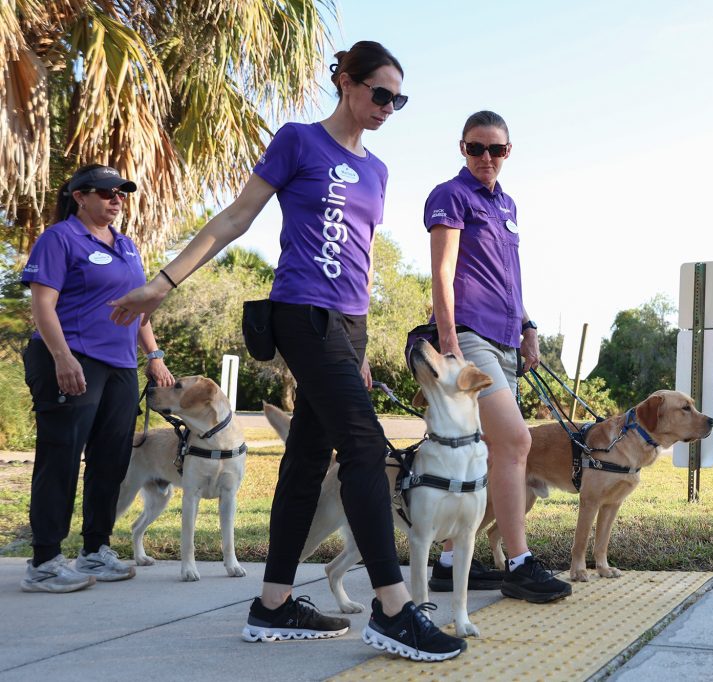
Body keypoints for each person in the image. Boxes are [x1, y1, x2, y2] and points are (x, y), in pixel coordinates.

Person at [109, 41, 467, 660]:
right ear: (346, 83)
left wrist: (359, 343)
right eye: (380, 93)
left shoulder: (378, 171)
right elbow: (236, 218)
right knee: (362, 445)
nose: (388, 107)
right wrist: (162, 284)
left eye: (398, 99)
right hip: (301, 314)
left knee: (306, 459)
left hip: (346, 326)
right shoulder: (300, 141)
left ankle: (272, 602)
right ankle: (393, 607)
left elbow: (363, 258)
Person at [424, 111, 573, 603]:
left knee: (486, 451)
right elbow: (443, 274)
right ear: (462, 148)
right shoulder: (451, 196)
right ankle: (519, 561)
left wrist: (528, 326)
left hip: (508, 337)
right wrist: (448, 344)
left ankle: (448, 561)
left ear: (509, 152)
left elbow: (507, 277)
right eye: (476, 148)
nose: (486, 158)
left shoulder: (507, 204)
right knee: (514, 442)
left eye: (497, 150)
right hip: (469, 335)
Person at [20, 164, 175, 593]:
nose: (116, 199)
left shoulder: (126, 246)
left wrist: (154, 355)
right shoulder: (60, 239)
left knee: (112, 460)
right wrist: (62, 357)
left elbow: (137, 306)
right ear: (80, 196)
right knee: (62, 457)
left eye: (121, 193)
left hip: (121, 366)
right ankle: (45, 561)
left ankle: (95, 549)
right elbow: (43, 306)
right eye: (107, 193)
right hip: (72, 360)